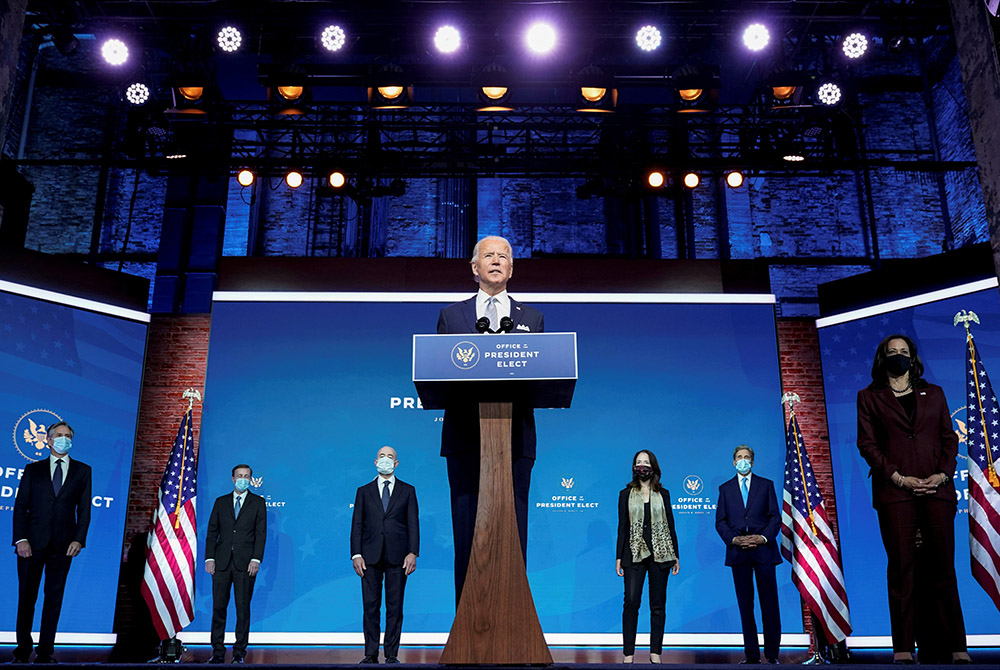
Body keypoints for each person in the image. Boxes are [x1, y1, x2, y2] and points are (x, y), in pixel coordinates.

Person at [436, 235, 544, 605]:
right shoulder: (451, 316)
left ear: (512, 268)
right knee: (468, 533)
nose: (496, 261)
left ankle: (514, 627)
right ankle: (466, 632)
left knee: (513, 534)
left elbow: (542, 378)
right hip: (466, 440)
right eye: (488, 256)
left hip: (515, 442)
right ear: (474, 268)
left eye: (504, 256)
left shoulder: (532, 318)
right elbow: (440, 376)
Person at [856, 334, 969, 664]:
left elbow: (949, 439)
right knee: (901, 571)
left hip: (938, 491)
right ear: (882, 358)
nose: (898, 356)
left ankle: (957, 647)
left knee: (943, 570)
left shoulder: (934, 393)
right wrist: (898, 477)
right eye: (892, 352)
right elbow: (868, 444)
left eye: (903, 352)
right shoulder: (869, 397)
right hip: (895, 493)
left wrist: (943, 475)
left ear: (913, 358)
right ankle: (903, 648)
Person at [11, 421, 92, 664]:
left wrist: (79, 539)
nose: (63, 439)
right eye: (58, 435)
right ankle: (23, 649)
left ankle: (45, 651)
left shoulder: (83, 470)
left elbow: (85, 510)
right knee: (26, 597)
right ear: (48, 440)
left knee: (53, 598)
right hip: (31, 545)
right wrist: (21, 539)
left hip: (63, 545)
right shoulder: (32, 470)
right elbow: (20, 508)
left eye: (68, 435)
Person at [351, 446, 419, 664]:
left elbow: (413, 525)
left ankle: (391, 654)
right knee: (370, 606)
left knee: (395, 606)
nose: (386, 460)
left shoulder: (408, 490)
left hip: (398, 557)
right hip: (369, 557)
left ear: (396, 464)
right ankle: (370, 653)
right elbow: (357, 525)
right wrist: (356, 554)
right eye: (382, 456)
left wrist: (412, 552)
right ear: (375, 461)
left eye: (390, 457)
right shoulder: (363, 491)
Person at [715, 445, 781, 664]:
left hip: (763, 551)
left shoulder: (766, 485)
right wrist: (734, 539)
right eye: (739, 458)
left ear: (752, 461)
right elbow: (721, 522)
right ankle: (751, 655)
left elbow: (775, 518)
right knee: (746, 605)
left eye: (747, 457)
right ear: (733, 462)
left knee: (769, 604)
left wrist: (761, 538)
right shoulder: (725, 489)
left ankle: (772, 655)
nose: (743, 461)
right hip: (738, 553)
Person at [615, 450, 680, 665]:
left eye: (645, 462)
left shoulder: (664, 494)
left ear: (653, 466)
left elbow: (671, 525)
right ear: (634, 468)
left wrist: (676, 556)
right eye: (638, 463)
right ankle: (628, 653)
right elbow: (622, 527)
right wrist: (618, 557)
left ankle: (655, 652)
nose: (642, 466)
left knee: (658, 604)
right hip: (632, 554)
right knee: (631, 602)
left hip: (660, 555)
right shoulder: (625, 494)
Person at [205, 464, 266, 664]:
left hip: (246, 564)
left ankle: (239, 653)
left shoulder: (258, 503)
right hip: (221, 563)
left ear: (251, 479)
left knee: (242, 608)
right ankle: (217, 651)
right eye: (239, 476)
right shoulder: (220, 502)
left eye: (246, 476)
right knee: (218, 607)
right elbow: (212, 531)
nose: (243, 479)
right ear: (232, 478)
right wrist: (210, 558)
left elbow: (260, 534)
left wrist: (256, 559)